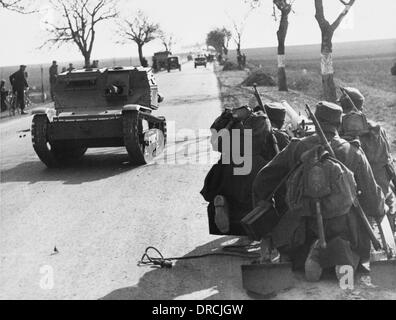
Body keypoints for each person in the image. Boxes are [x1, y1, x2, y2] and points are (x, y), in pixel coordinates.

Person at [252, 101, 386, 282]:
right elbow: (371, 195)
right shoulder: (354, 152)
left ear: (315, 123)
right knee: (353, 235)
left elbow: (263, 179)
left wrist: (270, 213)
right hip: (344, 225)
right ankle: (342, 258)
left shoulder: (296, 147)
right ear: (339, 125)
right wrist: (380, 210)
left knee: (291, 237)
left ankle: (313, 253)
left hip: (301, 229)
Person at [201, 104, 290, 237]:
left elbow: (217, 143)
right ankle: (267, 230)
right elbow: (286, 162)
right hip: (255, 181)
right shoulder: (277, 136)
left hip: (224, 178)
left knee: (239, 193)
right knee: (279, 186)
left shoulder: (236, 130)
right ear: (281, 122)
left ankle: (223, 202)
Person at [339, 87, 396, 231]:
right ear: (361, 107)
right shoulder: (377, 128)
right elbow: (387, 158)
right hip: (381, 186)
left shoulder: (343, 131)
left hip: (356, 191)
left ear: (342, 108)